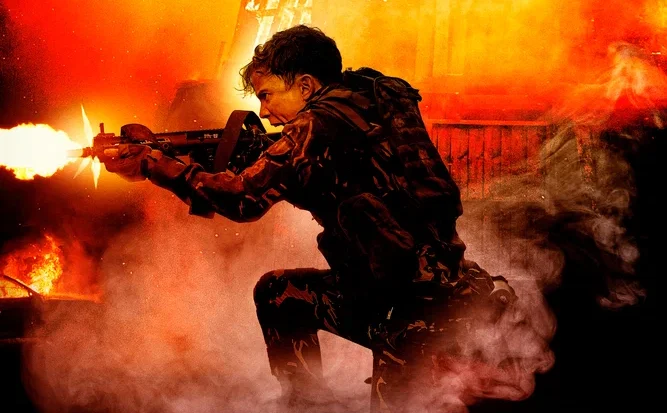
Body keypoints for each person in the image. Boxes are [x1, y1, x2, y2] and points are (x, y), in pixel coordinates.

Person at [104, 25, 512, 413]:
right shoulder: (369, 97)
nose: (264, 111)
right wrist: (173, 152)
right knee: (279, 293)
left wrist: (153, 164)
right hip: (443, 285)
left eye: (268, 96)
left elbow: (243, 200)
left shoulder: (315, 127)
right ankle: (308, 405)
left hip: (410, 315)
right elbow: (289, 160)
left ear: (304, 86)